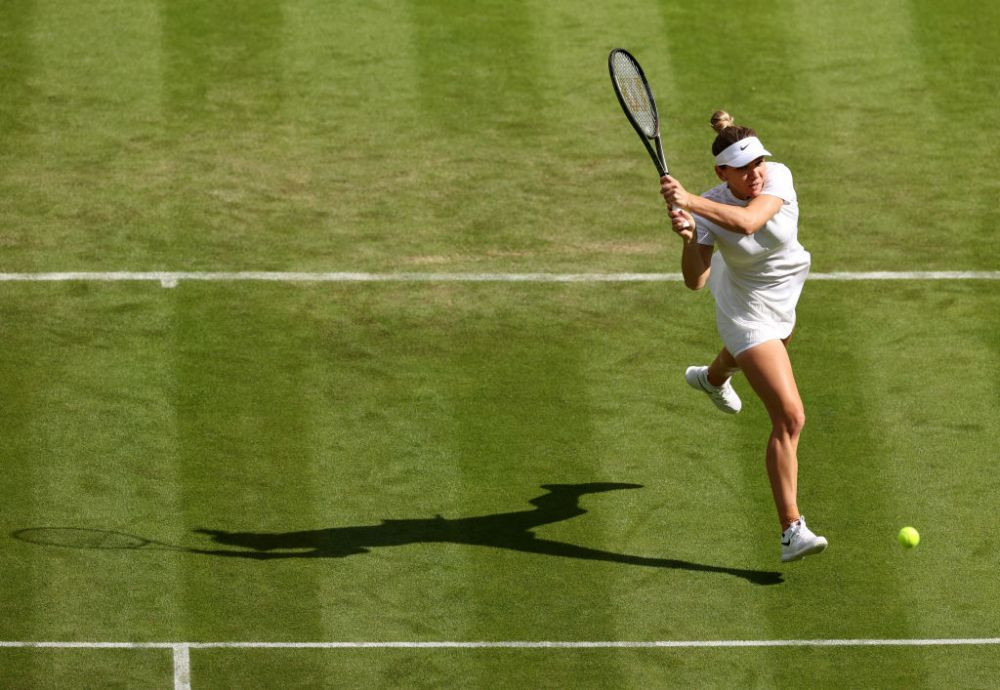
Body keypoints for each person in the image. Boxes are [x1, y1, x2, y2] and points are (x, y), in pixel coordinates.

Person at [659, 110, 827, 563]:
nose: (757, 174)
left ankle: (711, 380)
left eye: (759, 164)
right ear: (722, 173)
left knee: (769, 351)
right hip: (746, 309)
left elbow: (751, 222)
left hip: (784, 293)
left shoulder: (777, 177)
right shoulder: (709, 208)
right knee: (790, 417)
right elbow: (696, 281)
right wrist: (689, 238)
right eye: (745, 169)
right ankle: (791, 529)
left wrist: (690, 201)